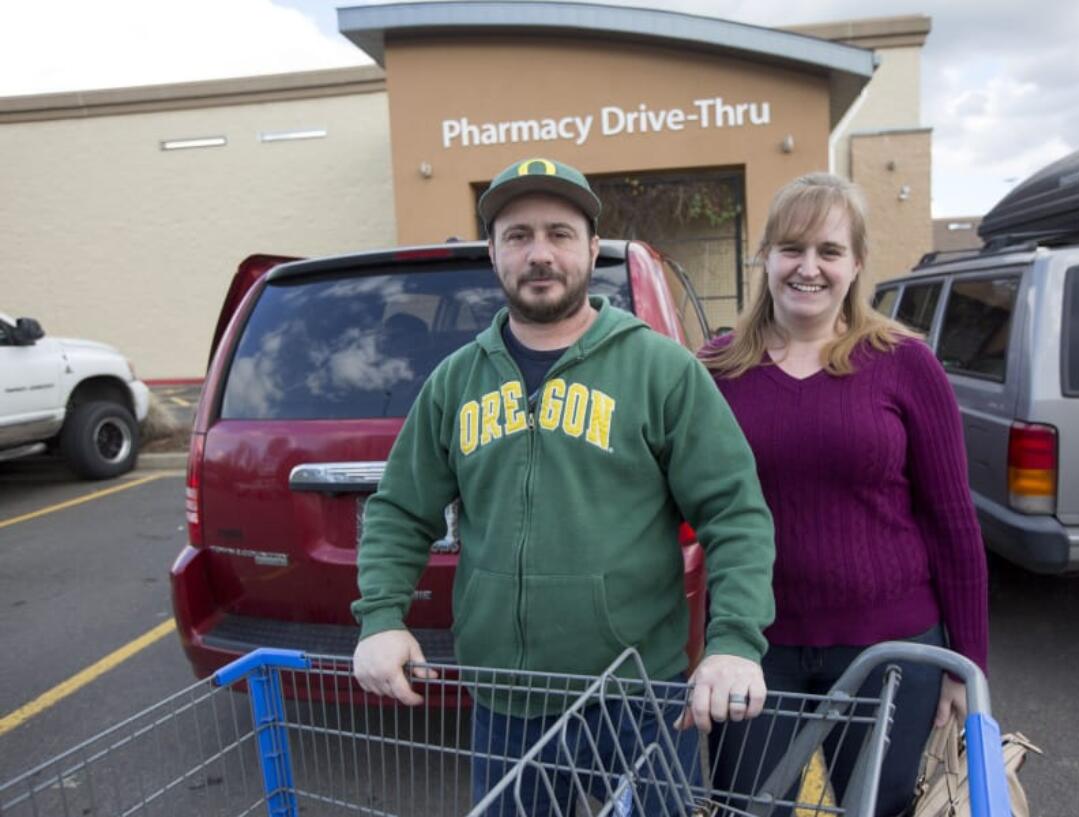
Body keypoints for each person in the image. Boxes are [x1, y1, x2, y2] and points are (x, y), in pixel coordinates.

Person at [351, 157, 776, 815]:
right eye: (518, 236)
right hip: (506, 701)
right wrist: (380, 616)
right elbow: (401, 509)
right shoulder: (455, 381)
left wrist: (733, 642)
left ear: (591, 249)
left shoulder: (661, 370)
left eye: (559, 233)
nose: (539, 253)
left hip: (638, 698)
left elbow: (735, 513)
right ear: (493, 253)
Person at [700, 172, 989, 817]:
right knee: (745, 807)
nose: (809, 268)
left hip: (889, 650)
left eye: (829, 252)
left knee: (877, 808)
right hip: (755, 646)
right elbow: (679, 508)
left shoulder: (906, 363)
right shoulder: (717, 370)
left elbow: (951, 521)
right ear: (765, 258)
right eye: (792, 249)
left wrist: (965, 661)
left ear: (856, 264)